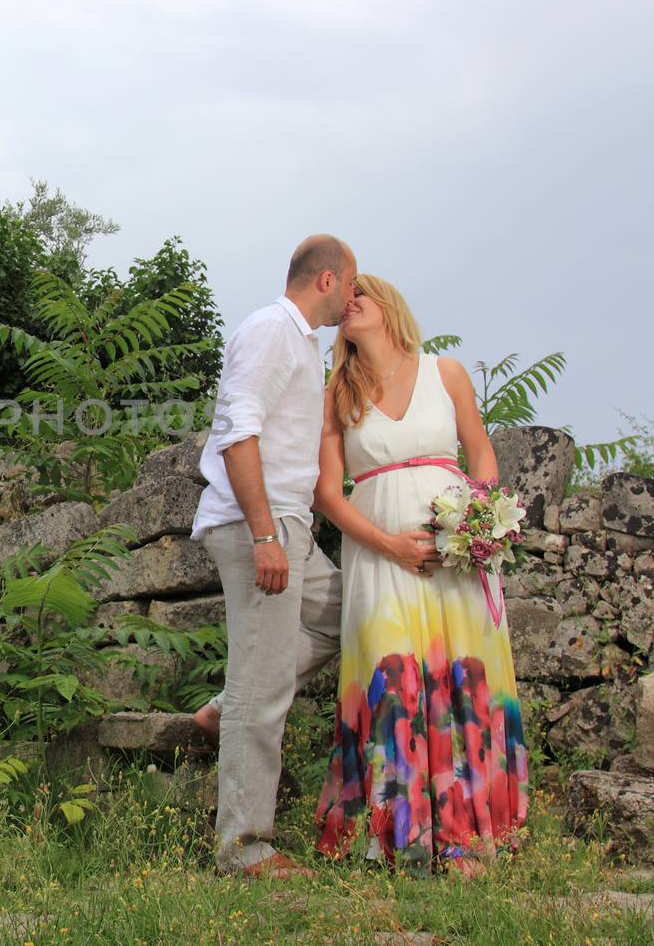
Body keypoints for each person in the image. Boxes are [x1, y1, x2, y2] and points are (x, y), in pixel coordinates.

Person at [191, 235, 438, 879]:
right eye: (351, 286)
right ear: (327, 280)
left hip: (289, 527)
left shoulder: (301, 342)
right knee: (263, 687)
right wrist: (266, 535)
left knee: (338, 615)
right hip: (260, 530)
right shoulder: (272, 330)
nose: (355, 298)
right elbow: (237, 432)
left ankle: (226, 706)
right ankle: (244, 849)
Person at [311, 274, 529, 874]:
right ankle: (396, 838)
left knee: (464, 680)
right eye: (344, 295)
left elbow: (479, 450)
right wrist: (389, 545)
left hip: (454, 554)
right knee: (394, 681)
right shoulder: (338, 393)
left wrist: (478, 515)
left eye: (364, 292)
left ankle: (466, 838)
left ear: (389, 306)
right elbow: (328, 494)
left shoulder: (446, 372)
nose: (350, 300)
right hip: (379, 556)